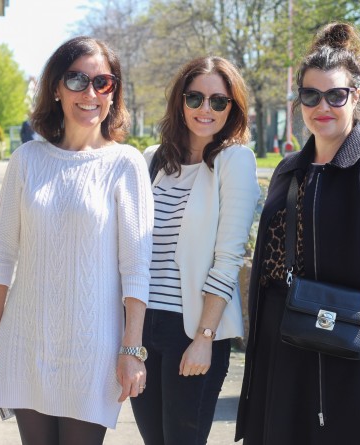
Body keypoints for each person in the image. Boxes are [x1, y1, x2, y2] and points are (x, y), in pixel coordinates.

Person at [235, 22, 360, 445]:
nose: (322, 105)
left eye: (335, 95)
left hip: (354, 357)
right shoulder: (290, 169)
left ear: (354, 97)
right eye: (310, 95)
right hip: (283, 348)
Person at [0, 36, 154, 445]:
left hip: (93, 350)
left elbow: (137, 268)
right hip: (26, 339)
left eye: (103, 83)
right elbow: (1, 256)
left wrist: (131, 350)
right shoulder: (27, 161)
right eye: (77, 80)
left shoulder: (126, 164)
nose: (90, 93)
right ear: (55, 87)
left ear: (113, 93)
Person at [131, 56, 260, 445]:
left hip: (193, 329)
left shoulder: (233, 161)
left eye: (218, 101)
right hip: (144, 327)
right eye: (196, 98)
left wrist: (205, 336)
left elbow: (228, 257)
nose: (206, 109)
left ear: (232, 108)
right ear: (180, 101)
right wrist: (128, 338)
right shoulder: (152, 159)